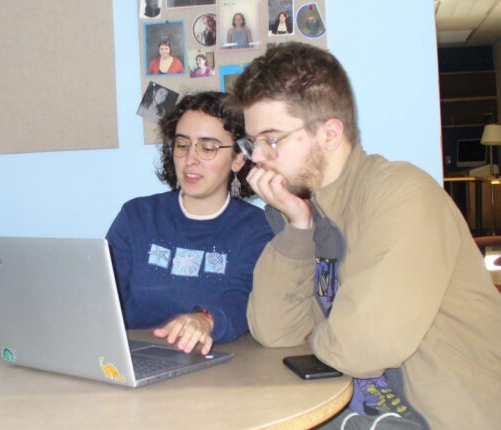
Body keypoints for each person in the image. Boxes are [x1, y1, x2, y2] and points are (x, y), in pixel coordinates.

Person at [232, 42, 501, 429]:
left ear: (329, 133)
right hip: (365, 408)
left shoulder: (401, 193)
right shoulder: (309, 210)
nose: (257, 157)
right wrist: (297, 228)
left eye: (271, 139)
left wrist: (320, 336)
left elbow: (361, 347)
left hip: (436, 417)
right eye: (252, 141)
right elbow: (274, 332)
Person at [107, 92, 274, 355]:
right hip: (133, 358)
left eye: (208, 148)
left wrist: (204, 319)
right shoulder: (136, 216)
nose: (190, 159)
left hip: (214, 367)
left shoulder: (256, 228)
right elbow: (105, 296)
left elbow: (243, 299)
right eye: (183, 145)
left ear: (238, 159)